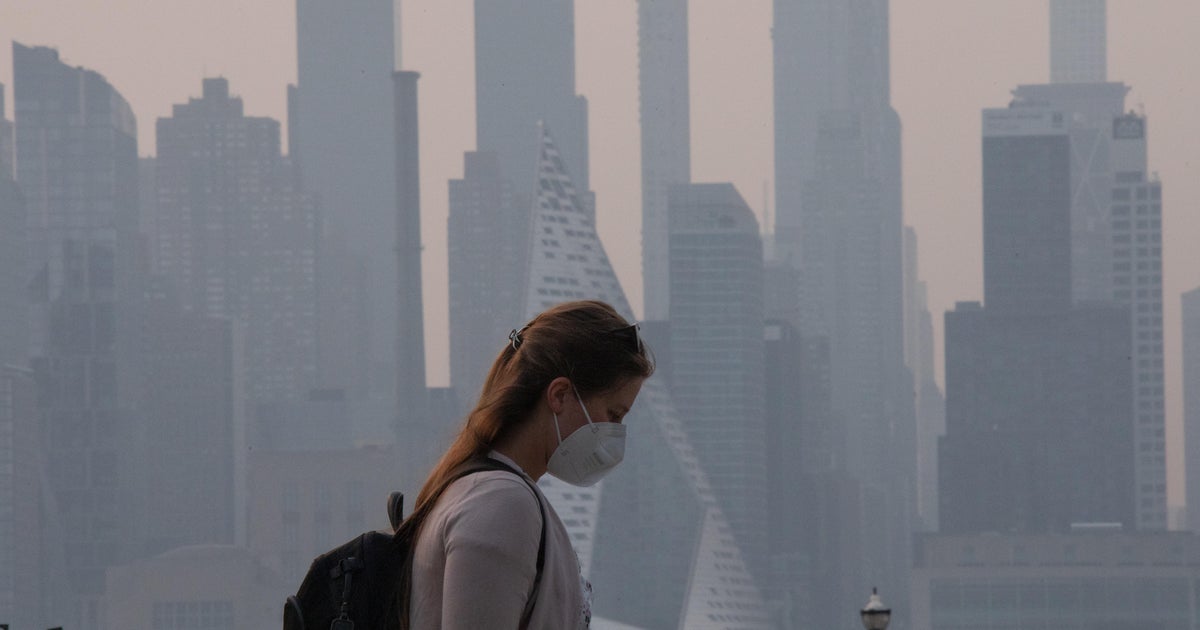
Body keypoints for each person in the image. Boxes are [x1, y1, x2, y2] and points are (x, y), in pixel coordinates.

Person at [405, 300, 654, 629]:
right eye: (613, 414)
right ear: (560, 395)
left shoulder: (489, 494)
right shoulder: (502, 504)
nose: (615, 433)